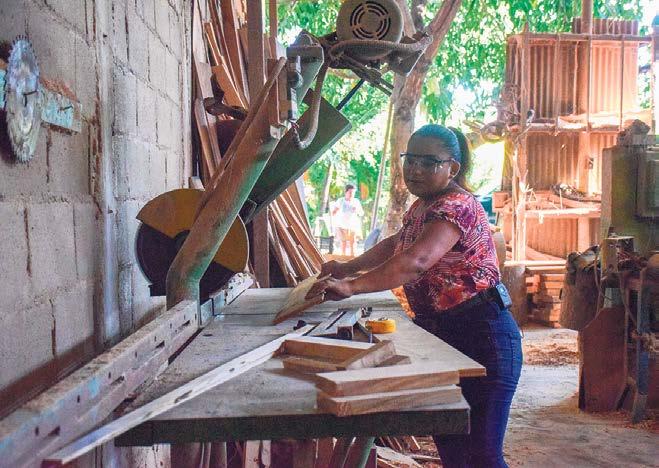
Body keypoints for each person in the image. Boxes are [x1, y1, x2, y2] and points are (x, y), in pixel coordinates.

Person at [308, 124, 522, 468]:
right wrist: (347, 269)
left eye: (428, 162)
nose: (415, 170)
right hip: (446, 336)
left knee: (482, 456)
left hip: (484, 337)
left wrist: (350, 288)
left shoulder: (457, 206)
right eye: (410, 160)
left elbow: (416, 262)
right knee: (454, 452)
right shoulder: (422, 207)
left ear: (452, 168)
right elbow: (396, 245)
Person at [330, 184, 364, 256]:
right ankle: (343, 257)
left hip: (352, 226)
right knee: (343, 242)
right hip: (341, 225)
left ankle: (352, 257)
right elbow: (333, 212)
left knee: (352, 242)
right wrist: (335, 211)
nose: (352, 194)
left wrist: (356, 210)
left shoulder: (356, 201)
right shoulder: (340, 201)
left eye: (353, 192)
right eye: (350, 192)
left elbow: (361, 213)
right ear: (346, 192)